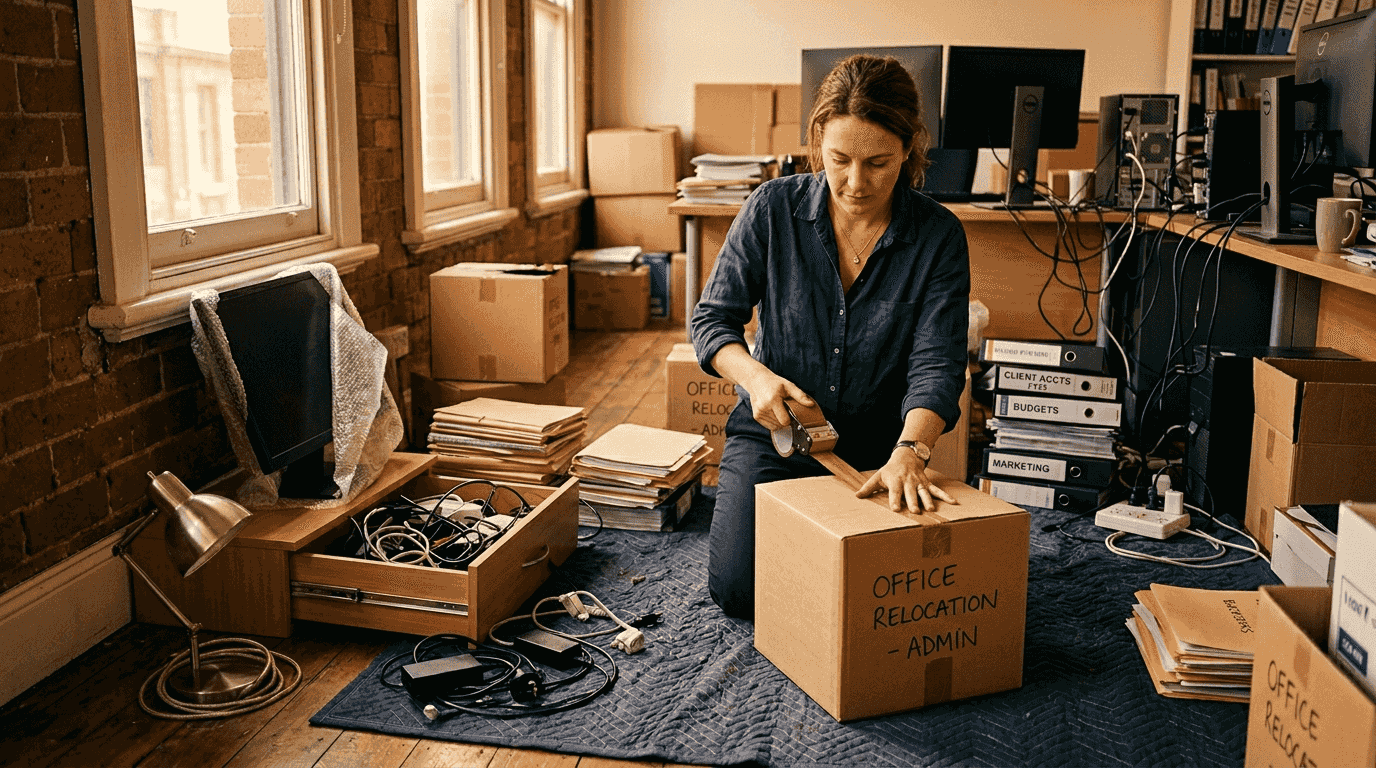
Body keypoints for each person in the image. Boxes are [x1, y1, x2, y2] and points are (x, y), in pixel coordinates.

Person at [690, 55, 971, 620]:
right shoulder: (771, 209)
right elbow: (712, 321)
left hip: (879, 451)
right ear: (818, 141)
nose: (855, 183)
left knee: (894, 594)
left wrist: (912, 451)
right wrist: (758, 379)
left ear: (911, 148)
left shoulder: (938, 235)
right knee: (740, 592)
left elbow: (937, 367)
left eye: (879, 163)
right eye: (839, 160)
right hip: (777, 437)